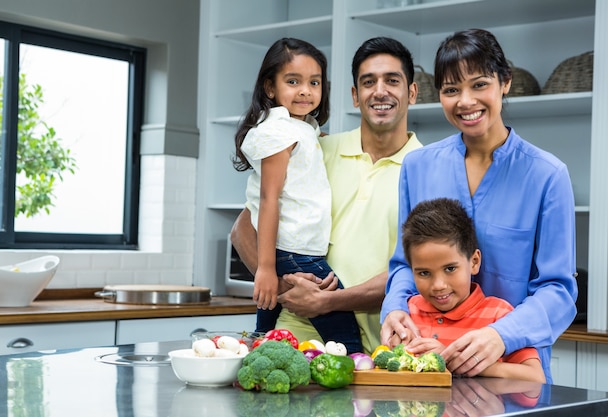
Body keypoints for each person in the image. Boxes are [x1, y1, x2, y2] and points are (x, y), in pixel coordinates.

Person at [380, 28, 577, 383]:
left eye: (479, 84)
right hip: (429, 370)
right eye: (451, 90)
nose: (465, 101)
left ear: (505, 82)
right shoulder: (418, 166)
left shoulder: (548, 175)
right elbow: (402, 265)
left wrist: (501, 336)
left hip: (510, 372)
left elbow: (558, 291)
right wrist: (394, 308)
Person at [230, 36, 423, 354]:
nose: (380, 91)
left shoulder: (428, 169)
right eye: (368, 82)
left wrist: (326, 300)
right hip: (292, 341)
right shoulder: (316, 149)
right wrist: (281, 290)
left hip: (380, 348)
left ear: (412, 92)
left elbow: (417, 271)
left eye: (392, 81)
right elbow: (242, 230)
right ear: (354, 95)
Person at [232, 37, 362, 353]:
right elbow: (268, 199)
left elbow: (309, 146)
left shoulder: (302, 126)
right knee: (348, 341)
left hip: (292, 247)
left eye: (313, 82)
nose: (305, 90)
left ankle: (254, 368)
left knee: (265, 336)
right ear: (270, 88)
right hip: (295, 251)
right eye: (293, 81)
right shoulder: (279, 133)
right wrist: (265, 269)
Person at [401, 198, 545, 383]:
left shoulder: (499, 315)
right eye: (424, 273)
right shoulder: (407, 314)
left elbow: (535, 377)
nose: (438, 285)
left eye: (450, 269)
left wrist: (450, 359)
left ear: (474, 262)